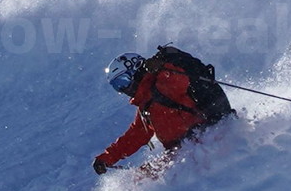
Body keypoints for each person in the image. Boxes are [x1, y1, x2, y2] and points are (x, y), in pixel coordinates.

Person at [92, 49, 233, 176]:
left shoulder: (161, 83)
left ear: (134, 71)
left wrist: (163, 66)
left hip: (203, 137)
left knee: (152, 178)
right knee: (141, 178)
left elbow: (180, 78)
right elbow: (135, 136)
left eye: (123, 82)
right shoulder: (145, 106)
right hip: (181, 151)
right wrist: (107, 158)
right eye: (118, 86)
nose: (123, 89)